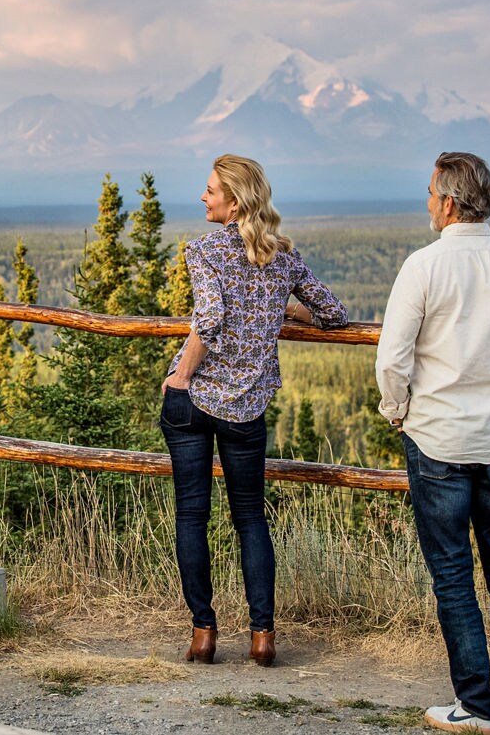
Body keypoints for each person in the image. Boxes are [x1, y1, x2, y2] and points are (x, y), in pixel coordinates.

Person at [376, 152, 490, 733]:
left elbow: (392, 360)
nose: (427, 202)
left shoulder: (423, 267)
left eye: (431, 193)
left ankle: (475, 706)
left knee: (452, 575)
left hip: (436, 443)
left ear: (450, 203)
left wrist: (398, 412)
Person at [161, 154, 347, 667]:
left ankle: (203, 632)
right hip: (246, 408)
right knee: (249, 520)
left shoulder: (202, 252)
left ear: (234, 201)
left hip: (194, 401)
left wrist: (180, 377)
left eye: (210, 190)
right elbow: (333, 314)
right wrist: (286, 305)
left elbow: (211, 318)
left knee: (192, 516)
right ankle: (262, 637)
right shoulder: (283, 260)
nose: (203, 197)